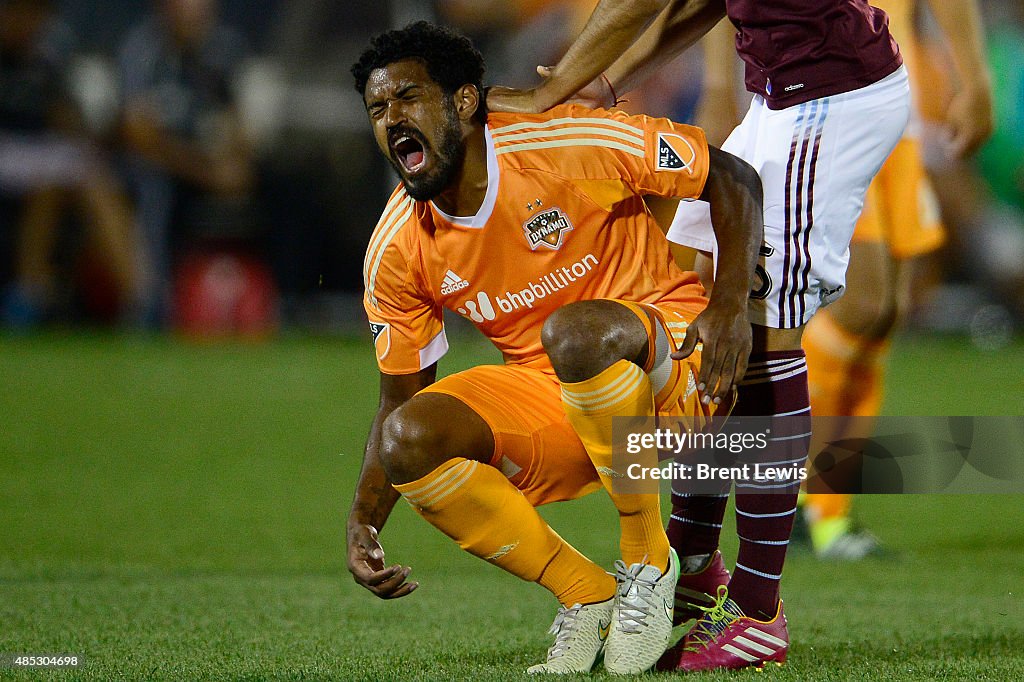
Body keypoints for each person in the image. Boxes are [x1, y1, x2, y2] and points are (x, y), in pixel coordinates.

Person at [488, 0, 912, 672]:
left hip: (830, 100)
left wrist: (555, 87)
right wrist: (609, 78)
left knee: (764, 333)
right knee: (705, 304)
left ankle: (758, 609)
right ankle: (692, 569)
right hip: (780, 100)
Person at [346, 21, 763, 674]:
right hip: (566, 405)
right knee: (410, 437)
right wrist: (364, 522)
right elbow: (399, 394)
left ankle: (648, 565)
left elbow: (731, 177)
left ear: (462, 100)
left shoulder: (563, 140)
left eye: (407, 97)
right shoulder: (398, 244)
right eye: (377, 108)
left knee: (574, 332)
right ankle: (587, 594)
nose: (390, 118)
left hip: (674, 373)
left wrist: (731, 306)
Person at [798, 0, 993, 559]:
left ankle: (827, 515)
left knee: (885, 314)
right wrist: (720, 82)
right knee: (861, 304)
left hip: (896, 106)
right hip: (824, 99)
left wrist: (972, 78)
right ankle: (791, 491)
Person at [0, 0, 142, 327]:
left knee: (87, 175)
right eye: (19, 12)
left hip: (39, 155)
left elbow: (69, 123)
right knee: (48, 174)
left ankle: (139, 301)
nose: (28, 22)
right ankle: (29, 293)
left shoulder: (49, 56)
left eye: (36, 14)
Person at [117, 0, 254, 325]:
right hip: (159, 166)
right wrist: (208, 173)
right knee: (153, 188)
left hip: (208, 161)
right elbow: (137, 134)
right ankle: (151, 304)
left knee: (283, 184)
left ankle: (283, 300)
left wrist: (237, 163)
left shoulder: (226, 49)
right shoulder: (142, 50)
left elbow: (240, 123)